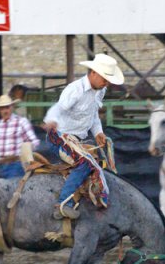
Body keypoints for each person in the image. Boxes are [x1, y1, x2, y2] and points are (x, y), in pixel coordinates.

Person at [42, 53, 123, 220]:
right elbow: (58, 109)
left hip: (76, 140)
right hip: (59, 138)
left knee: (101, 161)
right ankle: (63, 204)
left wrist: (98, 132)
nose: (106, 82)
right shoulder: (75, 90)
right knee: (85, 163)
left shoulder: (100, 91)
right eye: (104, 78)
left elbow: (93, 115)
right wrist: (51, 120)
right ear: (93, 73)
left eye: (108, 79)